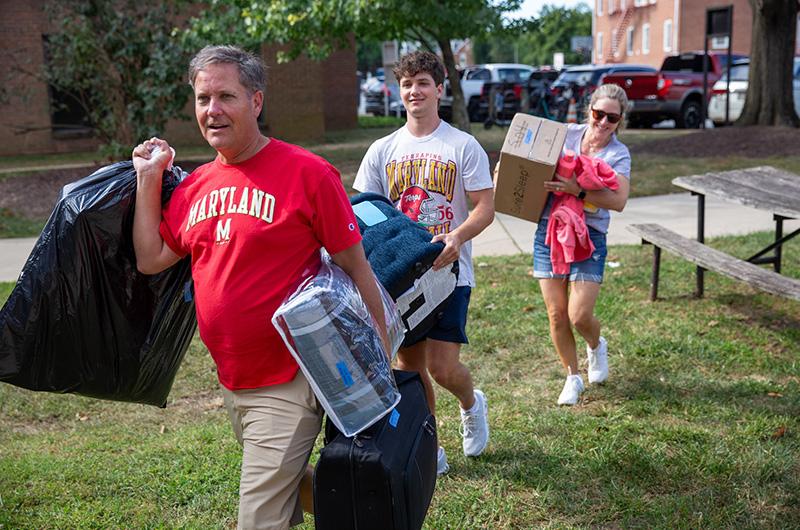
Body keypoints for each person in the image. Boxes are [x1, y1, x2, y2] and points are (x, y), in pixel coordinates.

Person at [132, 45, 388, 530]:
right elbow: (151, 258)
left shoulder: (308, 174)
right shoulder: (194, 188)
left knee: (258, 520)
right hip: (233, 380)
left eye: (226, 96)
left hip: (290, 377)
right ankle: (368, 506)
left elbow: (357, 269)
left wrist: (380, 362)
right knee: (287, 487)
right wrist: (149, 179)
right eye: (203, 98)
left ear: (256, 101)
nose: (213, 110)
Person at [354, 50, 495, 475]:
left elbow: (484, 208)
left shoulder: (461, 145)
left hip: (449, 271)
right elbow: (363, 209)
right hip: (401, 277)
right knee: (410, 369)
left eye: (422, 83)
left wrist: (457, 236)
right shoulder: (383, 149)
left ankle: (471, 403)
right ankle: (431, 448)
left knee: (443, 367)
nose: (414, 91)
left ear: (439, 89)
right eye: (407, 84)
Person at [534, 83, 631, 406]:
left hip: (589, 235)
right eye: (598, 113)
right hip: (551, 229)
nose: (603, 122)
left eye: (612, 118)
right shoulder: (565, 135)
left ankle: (596, 344)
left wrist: (577, 189)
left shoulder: (618, 154)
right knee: (557, 315)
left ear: (620, 121)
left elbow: (618, 200)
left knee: (578, 315)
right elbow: (529, 155)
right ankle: (572, 378)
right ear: (588, 109)